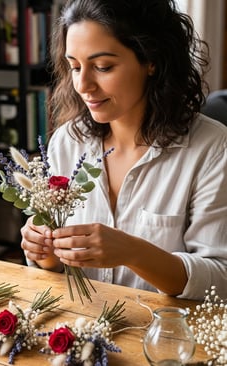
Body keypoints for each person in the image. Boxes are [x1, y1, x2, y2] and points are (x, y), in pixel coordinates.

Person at [20, 0, 227, 301]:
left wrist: (133, 252)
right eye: (74, 66)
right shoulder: (67, 142)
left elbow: (220, 281)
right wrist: (44, 253)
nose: (83, 84)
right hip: (81, 329)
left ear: (151, 60)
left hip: (164, 340)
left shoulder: (212, 148)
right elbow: (54, 276)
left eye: (103, 67)